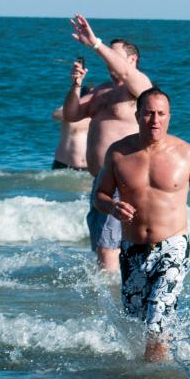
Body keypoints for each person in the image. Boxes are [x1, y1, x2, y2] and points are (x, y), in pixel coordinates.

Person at [95, 87, 190, 361]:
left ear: (169, 116)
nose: (155, 120)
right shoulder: (118, 153)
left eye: (161, 114)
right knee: (136, 324)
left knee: (156, 322)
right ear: (137, 115)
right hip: (132, 249)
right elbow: (98, 196)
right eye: (149, 113)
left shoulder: (186, 154)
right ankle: (151, 374)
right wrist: (112, 206)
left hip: (172, 247)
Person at [62, 15, 152, 271]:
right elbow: (71, 115)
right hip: (101, 182)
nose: (106, 57)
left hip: (123, 181)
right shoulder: (101, 91)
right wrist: (76, 86)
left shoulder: (139, 87)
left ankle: (108, 304)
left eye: (114, 54)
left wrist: (95, 43)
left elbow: (125, 72)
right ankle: (114, 295)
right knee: (105, 246)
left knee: (107, 249)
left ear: (132, 59)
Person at [52, 84, 92, 171]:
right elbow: (55, 115)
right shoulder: (71, 109)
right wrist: (73, 112)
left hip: (89, 167)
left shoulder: (97, 113)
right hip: (64, 164)